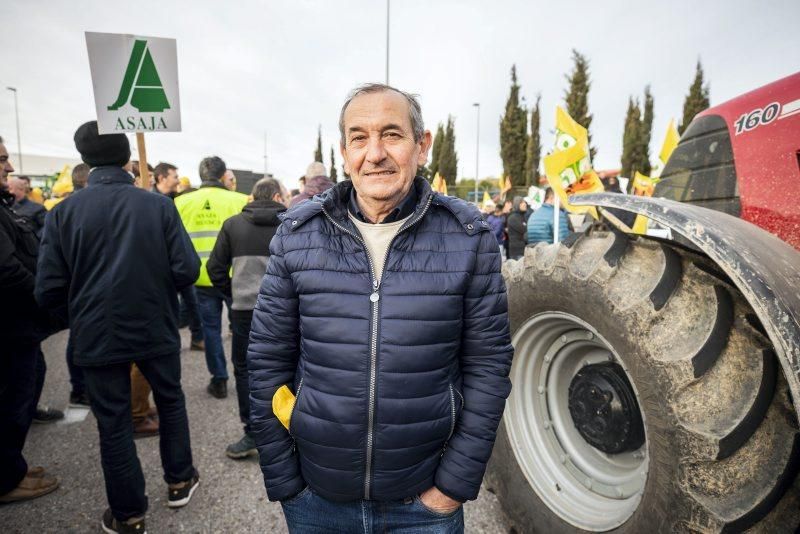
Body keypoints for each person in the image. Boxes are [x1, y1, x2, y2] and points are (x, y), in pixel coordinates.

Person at [248, 83, 513, 533]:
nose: (374, 153)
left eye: (391, 134)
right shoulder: (297, 237)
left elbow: (488, 367)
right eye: (359, 138)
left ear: (421, 146)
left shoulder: (469, 239)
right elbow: (265, 362)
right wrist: (285, 480)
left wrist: (453, 485)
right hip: (316, 500)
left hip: (424, 505)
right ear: (344, 152)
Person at [35, 121, 201, 532]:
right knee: (171, 401)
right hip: (154, 325)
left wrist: (79, 315)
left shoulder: (63, 213)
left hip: (96, 331)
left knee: (113, 422)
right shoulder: (157, 206)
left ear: (85, 159)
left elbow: (48, 288)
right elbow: (187, 268)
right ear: (127, 157)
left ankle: (128, 514)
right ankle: (180, 481)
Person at [207, 177, 286, 460]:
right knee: (286, 367)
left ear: (253, 197)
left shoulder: (232, 225)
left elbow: (215, 268)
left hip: (243, 313)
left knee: (245, 371)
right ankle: (285, 430)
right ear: (277, 196)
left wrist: (233, 295)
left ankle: (253, 431)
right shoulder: (289, 226)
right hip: (283, 312)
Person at [0, 135, 61, 504]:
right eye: (3, 159)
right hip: (10, 326)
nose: (8, 167)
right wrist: (43, 298)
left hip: (18, 327)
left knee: (27, 384)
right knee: (12, 396)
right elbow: (6, 268)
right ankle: (6, 478)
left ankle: (11, 466)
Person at [175, 156, 248, 398]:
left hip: (201, 278)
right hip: (234, 277)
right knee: (242, 330)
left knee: (211, 330)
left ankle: (219, 380)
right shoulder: (239, 200)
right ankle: (246, 376)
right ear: (223, 174)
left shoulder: (181, 202)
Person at [153, 162, 204, 351]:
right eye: (174, 176)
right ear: (162, 178)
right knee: (168, 306)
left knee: (192, 301)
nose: (177, 180)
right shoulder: (152, 201)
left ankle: (197, 338)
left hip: (179, 262)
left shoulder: (178, 199)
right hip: (161, 266)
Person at [506, 196, 528, 260]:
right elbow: (524, 230)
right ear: (517, 205)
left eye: (525, 202)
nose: (525, 204)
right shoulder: (513, 218)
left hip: (523, 251)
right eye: (522, 202)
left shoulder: (522, 216)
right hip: (517, 252)